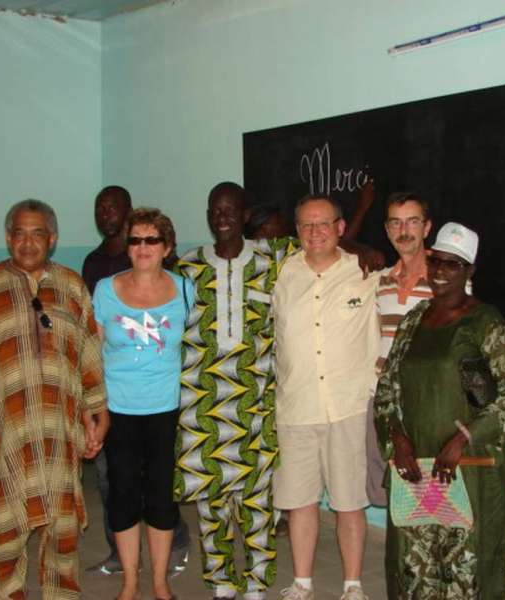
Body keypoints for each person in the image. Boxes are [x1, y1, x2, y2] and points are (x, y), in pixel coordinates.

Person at [0, 199, 109, 600]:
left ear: (52, 239)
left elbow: (88, 353)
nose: (27, 242)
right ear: (7, 238)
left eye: (37, 234)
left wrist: (97, 412)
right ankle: (11, 593)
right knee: (5, 529)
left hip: (60, 433)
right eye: (19, 233)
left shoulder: (70, 286)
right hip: (4, 434)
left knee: (62, 530)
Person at [374, 222, 505, 600]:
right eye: (436, 260)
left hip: (470, 474)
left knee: (468, 573)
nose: (440, 271)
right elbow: (387, 388)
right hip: (418, 474)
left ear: (469, 271)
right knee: (416, 569)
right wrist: (397, 438)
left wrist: (462, 439)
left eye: (452, 264)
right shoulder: (413, 321)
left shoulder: (486, 324)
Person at [176, 182, 298, 600]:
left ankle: (257, 583)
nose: (222, 215)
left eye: (231, 208)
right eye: (215, 208)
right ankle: (222, 581)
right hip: (202, 404)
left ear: (246, 214)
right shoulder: (186, 267)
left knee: (258, 502)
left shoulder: (274, 257)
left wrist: (361, 245)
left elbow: (326, 243)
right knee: (211, 506)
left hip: (255, 402)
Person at [273, 195, 380, 600]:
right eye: (305, 225)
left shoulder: (367, 272)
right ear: (296, 231)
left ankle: (352, 585)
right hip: (296, 407)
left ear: (340, 228)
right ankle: (302, 582)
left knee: (349, 503)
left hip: (348, 407)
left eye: (323, 224)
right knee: (299, 503)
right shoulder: (280, 274)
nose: (314, 232)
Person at [82, 186, 190, 576]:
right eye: (135, 240)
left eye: (152, 240)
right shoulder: (106, 291)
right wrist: (91, 412)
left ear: (166, 246)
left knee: (161, 500)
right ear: (127, 247)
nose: (143, 246)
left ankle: (160, 583)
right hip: (118, 409)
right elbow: (90, 356)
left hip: (166, 410)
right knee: (123, 498)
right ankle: (129, 582)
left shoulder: (185, 289)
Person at [365, 193, 433, 506]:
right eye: (396, 222)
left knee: (429, 489)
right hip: (382, 400)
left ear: (427, 227)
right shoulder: (379, 282)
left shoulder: (447, 280)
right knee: (387, 490)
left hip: (425, 401)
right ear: (388, 229)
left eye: (412, 221)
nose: (404, 230)